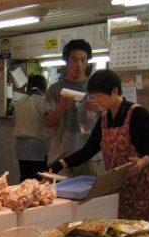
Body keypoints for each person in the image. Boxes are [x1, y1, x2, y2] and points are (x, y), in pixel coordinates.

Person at [49, 69, 149, 229]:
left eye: (100, 96)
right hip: (119, 188)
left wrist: (142, 161)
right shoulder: (104, 119)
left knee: (146, 235)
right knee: (122, 235)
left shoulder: (137, 113)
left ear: (114, 91)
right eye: (94, 96)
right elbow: (88, 150)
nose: (97, 101)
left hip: (143, 188)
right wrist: (60, 164)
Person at [44, 39, 104, 176]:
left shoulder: (97, 87)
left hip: (91, 159)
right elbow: (48, 122)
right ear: (67, 61)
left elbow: (113, 119)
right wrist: (62, 106)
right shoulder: (55, 89)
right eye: (74, 60)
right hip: (61, 157)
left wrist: (101, 109)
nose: (79, 65)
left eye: (83, 60)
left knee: (92, 197)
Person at [13, 74, 49, 181]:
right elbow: (50, 123)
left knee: (25, 179)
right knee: (40, 180)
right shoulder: (44, 101)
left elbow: (13, 123)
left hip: (20, 147)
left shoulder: (19, 102)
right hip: (38, 147)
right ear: (44, 87)